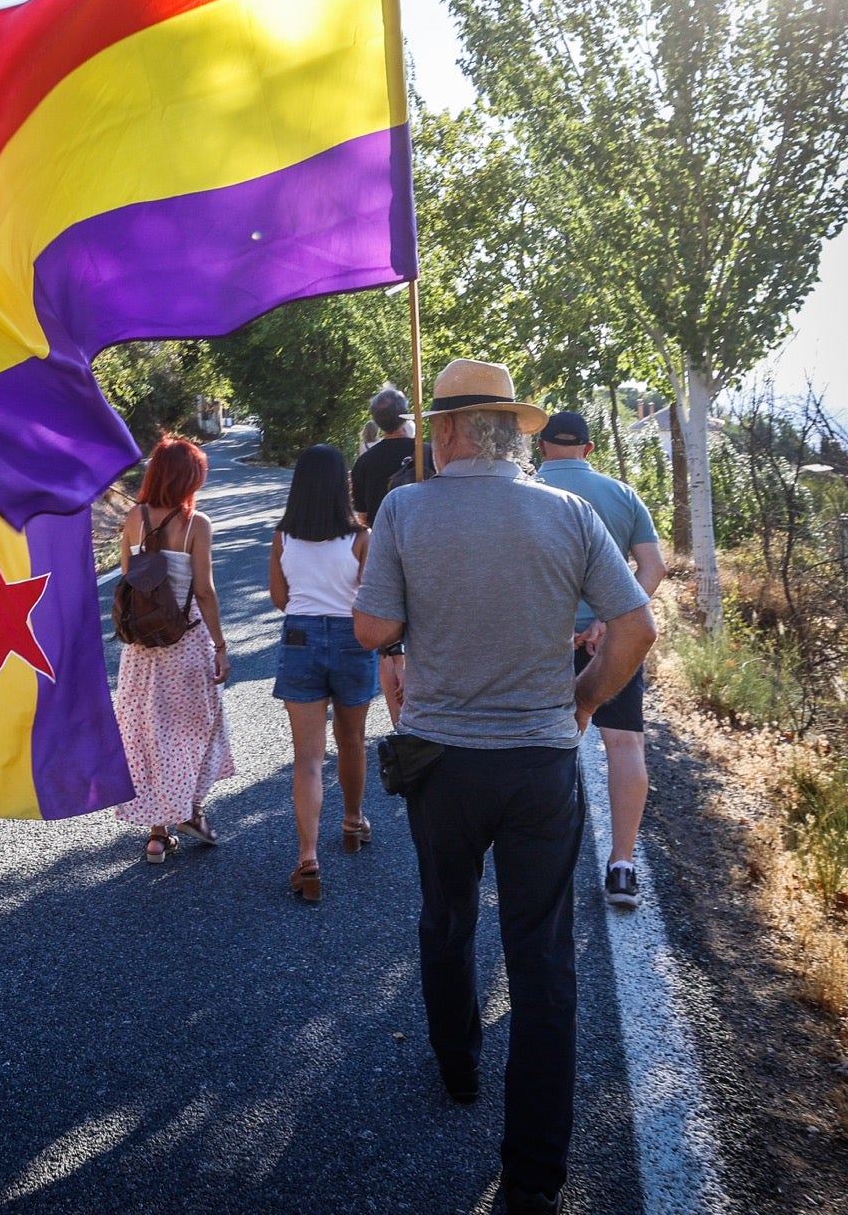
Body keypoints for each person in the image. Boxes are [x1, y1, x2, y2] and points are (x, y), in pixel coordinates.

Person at [353, 359, 656, 1215]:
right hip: (538, 762)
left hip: (442, 762)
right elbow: (635, 626)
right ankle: (532, 1178)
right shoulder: (565, 512)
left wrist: (409, 596)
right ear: (508, 430)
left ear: (446, 432)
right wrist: (585, 701)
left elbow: (373, 627)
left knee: (445, 919)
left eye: (434, 428)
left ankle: (456, 1069)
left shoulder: (405, 509)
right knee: (542, 959)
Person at [536, 411, 667, 909]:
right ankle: (622, 866)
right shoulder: (623, 494)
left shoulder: (529, 493)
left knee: (546, 745)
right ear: (589, 450)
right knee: (625, 743)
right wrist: (611, 620)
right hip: (611, 640)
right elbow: (653, 567)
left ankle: (546, 862)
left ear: (542, 447)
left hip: (543, 641)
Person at [113, 436, 234, 862]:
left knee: (150, 737)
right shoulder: (196, 525)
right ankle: (192, 810)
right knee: (196, 730)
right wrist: (220, 645)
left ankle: (157, 834)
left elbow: (132, 581)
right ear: (188, 479)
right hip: (185, 646)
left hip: (143, 650)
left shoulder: (134, 517)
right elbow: (204, 590)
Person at [268, 445, 379, 903]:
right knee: (352, 740)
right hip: (353, 638)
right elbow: (372, 599)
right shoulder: (361, 538)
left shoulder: (283, 537)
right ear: (342, 483)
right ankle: (353, 822)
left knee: (308, 758)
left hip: (300, 640)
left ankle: (308, 859)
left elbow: (279, 598)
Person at [349, 385, 427, 526]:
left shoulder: (364, 462)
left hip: (381, 539)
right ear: (405, 415)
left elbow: (363, 516)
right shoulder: (426, 452)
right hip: (422, 536)